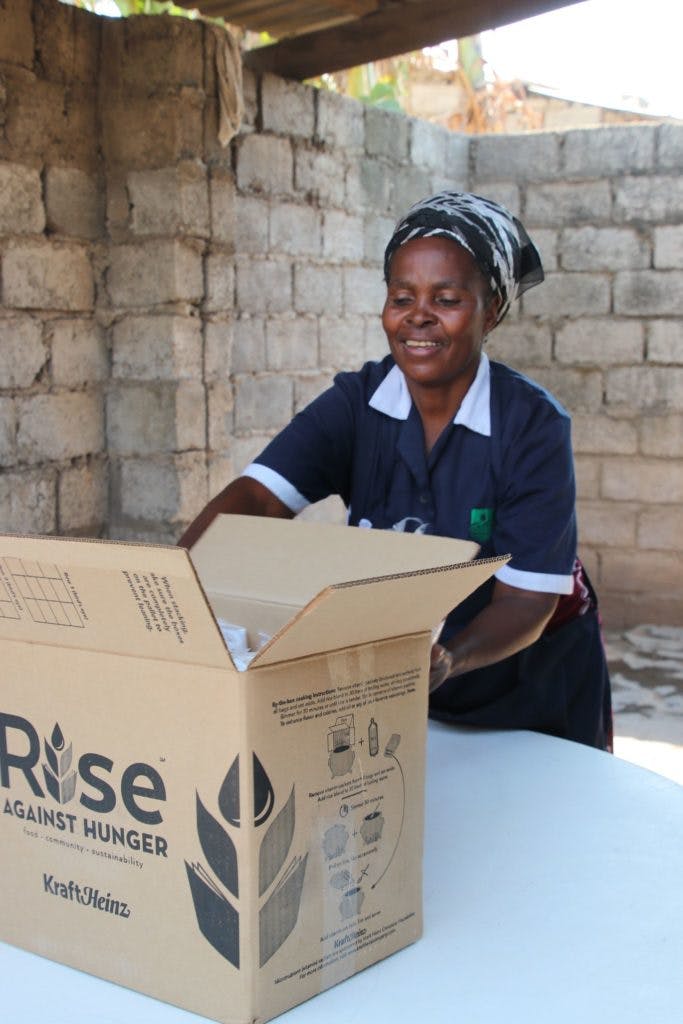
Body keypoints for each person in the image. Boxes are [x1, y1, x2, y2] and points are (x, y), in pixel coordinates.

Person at [179, 191, 612, 751]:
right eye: (401, 297)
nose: (418, 316)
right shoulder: (358, 404)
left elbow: (527, 602)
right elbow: (258, 499)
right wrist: (172, 589)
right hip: (402, 687)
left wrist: (447, 657)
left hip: (527, 692)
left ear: (492, 311)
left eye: (447, 299)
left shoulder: (531, 426)